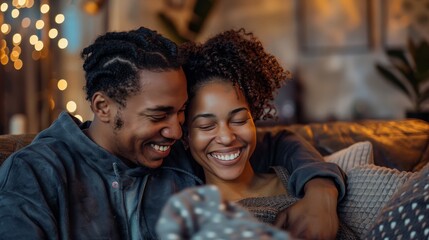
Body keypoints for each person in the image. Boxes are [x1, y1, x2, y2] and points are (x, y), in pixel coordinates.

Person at [0, 27, 345, 239]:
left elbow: (276, 143)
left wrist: (320, 193)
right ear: (103, 107)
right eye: (159, 115)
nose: (176, 129)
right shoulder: (36, 173)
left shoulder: (172, 153)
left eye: (181, 113)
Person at [174, 29, 354, 239]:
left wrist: (322, 192)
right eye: (206, 126)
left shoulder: (296, 177)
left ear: (254, 117)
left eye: (239, 120)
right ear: (186, 135)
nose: (227, 137)